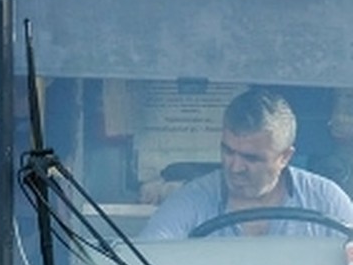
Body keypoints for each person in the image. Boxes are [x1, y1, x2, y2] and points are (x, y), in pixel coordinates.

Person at [141, 87, 353, 239]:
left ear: (285, 157)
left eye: (251, 158)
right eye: (228, 151)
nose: (235, 167)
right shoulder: (192, 201)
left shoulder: (326, 202)